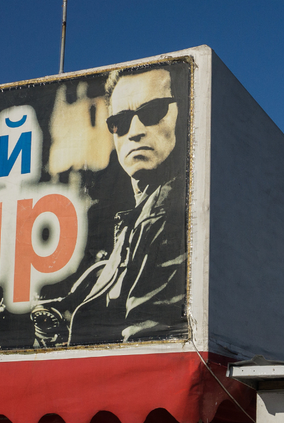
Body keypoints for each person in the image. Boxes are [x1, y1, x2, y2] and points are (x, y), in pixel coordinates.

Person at [31, 65, 189, 347]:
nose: (135, 132)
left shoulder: (167, 214)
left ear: (185, 113)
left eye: (153, 112)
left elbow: (146, 343)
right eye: (120, 121)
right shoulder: (137, 217)